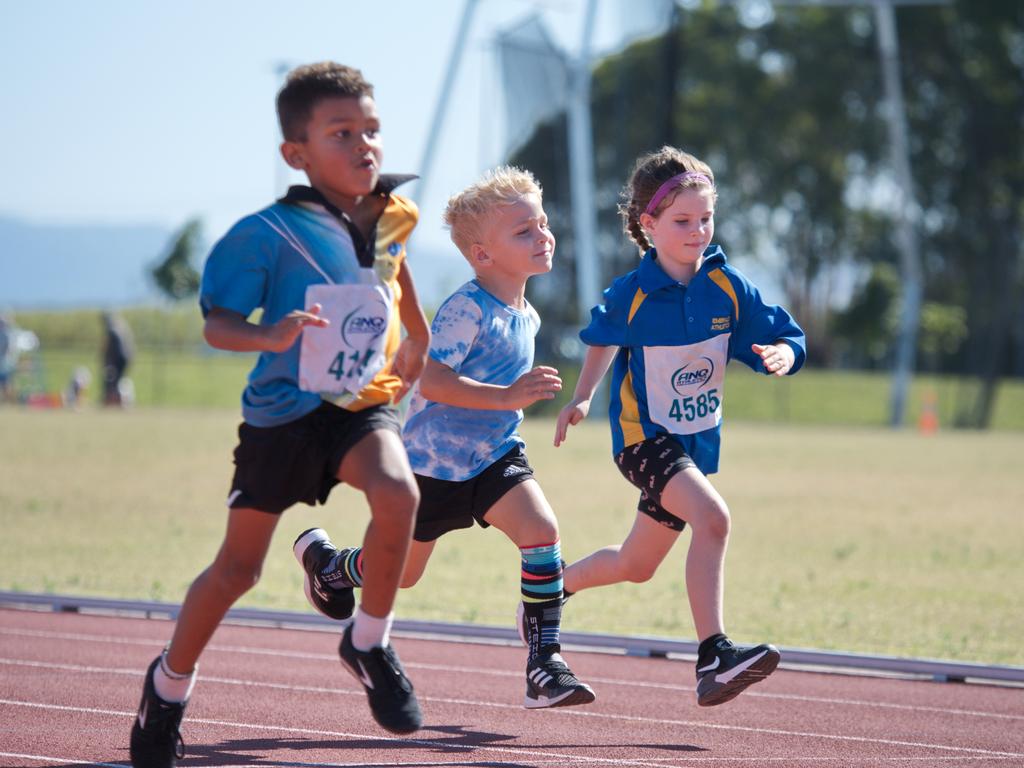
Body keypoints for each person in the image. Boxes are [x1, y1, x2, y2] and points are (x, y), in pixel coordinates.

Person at [129, 62, 431, 768]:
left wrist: (415, 336)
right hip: (281, 416)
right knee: (237, 570)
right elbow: (218, 324)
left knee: (398, 493)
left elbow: (396, 269)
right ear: (296, 153)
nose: (366, 147)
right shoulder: (264, 232)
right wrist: (268, 335)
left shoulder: (393, 215)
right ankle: (168, 685)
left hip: (360, 406)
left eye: (373, 131)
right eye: (342, 133)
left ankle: (368, 642)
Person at [295, 166, 596, 710]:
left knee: (541, 530)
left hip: (495, 457)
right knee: (403, 576)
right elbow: (431, 378)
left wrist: (509, 407)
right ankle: (331, 565)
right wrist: (508, 395)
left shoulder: (526, 313)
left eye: (542, 223)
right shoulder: (466, 308)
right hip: (430, 468)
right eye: (523, 231)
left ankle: (544, 664)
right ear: (482, 255)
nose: (543, 235)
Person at [550, 146, 806, 707]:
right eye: (683, 221)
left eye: (706, 218)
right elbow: (602, 340)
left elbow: (784, 332)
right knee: (713, 519)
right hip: (644, 442)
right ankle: (714, 655)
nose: (698, 231)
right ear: (649, 225)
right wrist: (583, 398)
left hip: (691, 446)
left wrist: (784, 353)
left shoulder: (728, 286)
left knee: (635, 565)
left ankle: (553, 588)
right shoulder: (632, 293)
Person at [101, 311, 134, 406]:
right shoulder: (121, 327)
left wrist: (107, 360)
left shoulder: (112, 329)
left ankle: (114, 401)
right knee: (117, 380)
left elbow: (109, 347)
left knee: (113, 381)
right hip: (126, 357)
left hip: (119, 359)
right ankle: (117, 401)